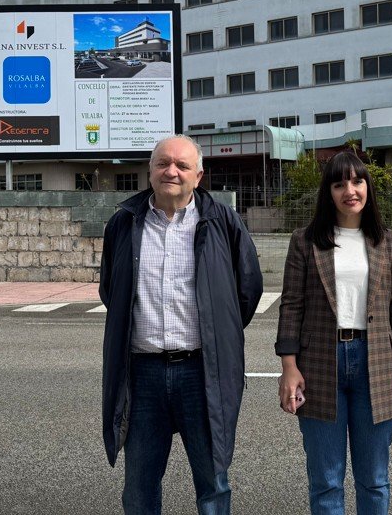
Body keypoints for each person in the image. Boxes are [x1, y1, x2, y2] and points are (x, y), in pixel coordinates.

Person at [99, 134, 263, 514]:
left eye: (182, 165)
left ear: (199, 175)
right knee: (139, 488)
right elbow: (112, 290)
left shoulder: (223, 222)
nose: (171, 171)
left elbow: (248, 289)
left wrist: (218, 333)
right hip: (142, 374)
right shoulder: (123, 223)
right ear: (150, 170)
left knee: (213, 483)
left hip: (202, 372)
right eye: (162, 163)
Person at [276, 151, 392, 514]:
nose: (349, 191)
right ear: (329, 192)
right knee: (326, 481)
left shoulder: (388, 242)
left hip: (378, 363)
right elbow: (291, 304)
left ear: (368, 186)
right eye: (339, 184)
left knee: (374, 480)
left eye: (357, 181)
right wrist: (288, 367)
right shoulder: (305, 240)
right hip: (319, 363)